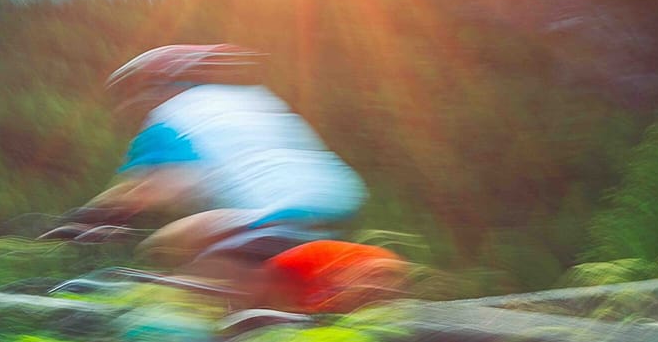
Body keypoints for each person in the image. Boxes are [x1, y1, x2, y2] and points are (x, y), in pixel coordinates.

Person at [59, 44, 408, 314]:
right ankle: (270, 311)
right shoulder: (252, 98)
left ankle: (195, 334)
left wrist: (87, 218)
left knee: (164, 250)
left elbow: (155, 187)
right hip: (336, 206)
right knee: (255, 272)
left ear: (156, 85)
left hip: (275, 212)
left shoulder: (170, 115)